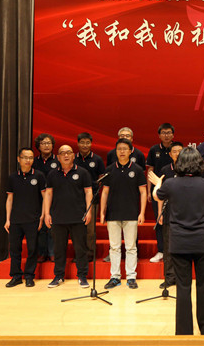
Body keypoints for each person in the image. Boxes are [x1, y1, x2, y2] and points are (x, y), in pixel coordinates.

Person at [149, 147, 204, 335]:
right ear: (199, 163)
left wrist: (158, 183)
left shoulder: (171, 184)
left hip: (179, 243)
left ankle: (184, 332)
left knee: (183, 287)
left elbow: (156, 195)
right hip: (203, 242)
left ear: (179, 163)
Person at [99, 139, 147, 289]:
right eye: (119, 148)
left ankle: (131, 277)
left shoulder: (137, 169)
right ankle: (115, 277)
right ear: (116, 151)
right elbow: (104, 192)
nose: (122, 151)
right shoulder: (109, 169)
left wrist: (142, 213)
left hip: (131, 213)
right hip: (113, 213)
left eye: (125, 149)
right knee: (114, 247)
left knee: (131, 247)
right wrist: (102, 212)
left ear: (130, 151)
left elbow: (143, 192)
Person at [43, 145, 92, 288]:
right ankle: (58, 276)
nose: (66, 155)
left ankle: (82, 276)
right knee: (59, 249)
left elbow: (88, 192)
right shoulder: (52, 174)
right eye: (62, 153)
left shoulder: (82, 172)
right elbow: (48, 194)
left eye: (68, 152)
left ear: (73, 155)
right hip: (58, 217)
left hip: (78, 217)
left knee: (80, 248)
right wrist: (47, 213)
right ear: (58, 157)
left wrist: (88, 211)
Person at [4, 147, 46, 288]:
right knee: (15, 249)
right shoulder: (12, 177)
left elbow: (45, 197)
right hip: (16, 220)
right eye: (25, 157)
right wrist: (8, 219)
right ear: (19, 159)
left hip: (33, 219)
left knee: (32, 249)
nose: (28, 160)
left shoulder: (39, 176)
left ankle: (29, 276)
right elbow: (9, 199)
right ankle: (16, 276)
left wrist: (42, 216)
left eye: (31, 158)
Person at [146, 123, 175, 263]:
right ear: (159, 135)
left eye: (169, 133)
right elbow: (150, 170)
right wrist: (149, 191)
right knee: (160, 220)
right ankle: (161, 251)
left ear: (173, 135)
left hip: (175, 191)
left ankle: (174, 250)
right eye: (163, 133)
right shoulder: (154, 150)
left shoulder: (177, 149)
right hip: (158, 190)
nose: (166, 135)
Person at [74, 132, 105, 262]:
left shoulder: (97, 159)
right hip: (75, 199)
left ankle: (90, 253)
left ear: (91, 144)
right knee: (76, 228)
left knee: (90, 229)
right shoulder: (73, 158)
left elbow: (102, 178)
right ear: (78, 143)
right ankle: (79, 254)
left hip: (92, 199)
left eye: (87, 142)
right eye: (82, 142)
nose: (85, 145)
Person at [157, 141, 183, 289]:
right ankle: (169, 277)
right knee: (168, 247)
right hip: (169, 212)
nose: (177, 154)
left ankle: (181, 277)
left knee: (183, 247)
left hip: (185, 213)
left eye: (180, 151)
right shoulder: (165, 170)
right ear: (170, 154)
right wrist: (160, 212)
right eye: (174, 151)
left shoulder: (189, 170)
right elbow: (160, 193)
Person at [32, 133, 58, 263]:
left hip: (55, 197)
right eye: (43, 143)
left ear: (52, 145)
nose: (46, 146)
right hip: (37, 198)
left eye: (49, 143)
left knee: (52, 225)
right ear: (38, 146)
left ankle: (52, 252)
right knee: (40, 226)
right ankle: (42, 252)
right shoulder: (34, 161)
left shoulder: (58, 160)